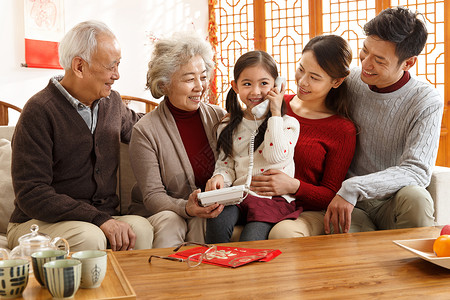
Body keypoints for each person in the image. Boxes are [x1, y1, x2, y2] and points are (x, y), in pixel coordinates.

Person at [7, 20, 153, 252]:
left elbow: (147, 130)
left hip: (98, 219)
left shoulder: (112, 103)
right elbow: (32, 193)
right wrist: (98, 219)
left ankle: (133, 290)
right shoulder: (39, 110)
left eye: (118, 65)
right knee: (90, 237)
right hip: (36, 224)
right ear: (79, 66)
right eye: (111, 66)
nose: (117, 75)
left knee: (141, 229)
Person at [323, 6, 443, 234]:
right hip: (352, 204)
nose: (365, 64)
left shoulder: (426, 100)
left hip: (391, 200)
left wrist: (354, 186)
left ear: (408, 63)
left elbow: (417, 171)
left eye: (379, 60)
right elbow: (308, 103)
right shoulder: (352, 81)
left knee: (416, 198)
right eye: (364, 51)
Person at [250, 35, 356, 238]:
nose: (302, 82)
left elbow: (331, 194)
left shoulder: (342, 129)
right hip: (259, 201)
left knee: (282, 234)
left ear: (336, 81)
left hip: (306, 209)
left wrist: (294, 186)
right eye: (301, 69)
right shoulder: (277, 105)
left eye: (314, 77)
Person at [128, 33, 226, 248]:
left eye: (203, 76)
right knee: (173, 221)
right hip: (164, 213)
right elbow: (153, 196)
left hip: (209, 210)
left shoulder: (219, 117)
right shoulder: (145, 131)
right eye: (189, 79)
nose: (200, 86)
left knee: (207, 219)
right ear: (164, 85)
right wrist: (187, 208)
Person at [204, 50, 301, 243]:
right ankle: (215, 268)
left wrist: (274, 113)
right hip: (239, 195)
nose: (256, 92)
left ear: (277, 86)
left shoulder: (288, 124)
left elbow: (276, 156)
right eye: (247, 84)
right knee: (217, 221)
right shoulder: (227, 125)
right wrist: (219, 177)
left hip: (271, 198)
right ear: (235, 86)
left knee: (252, 238)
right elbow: (226, 165)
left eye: (264, 83)